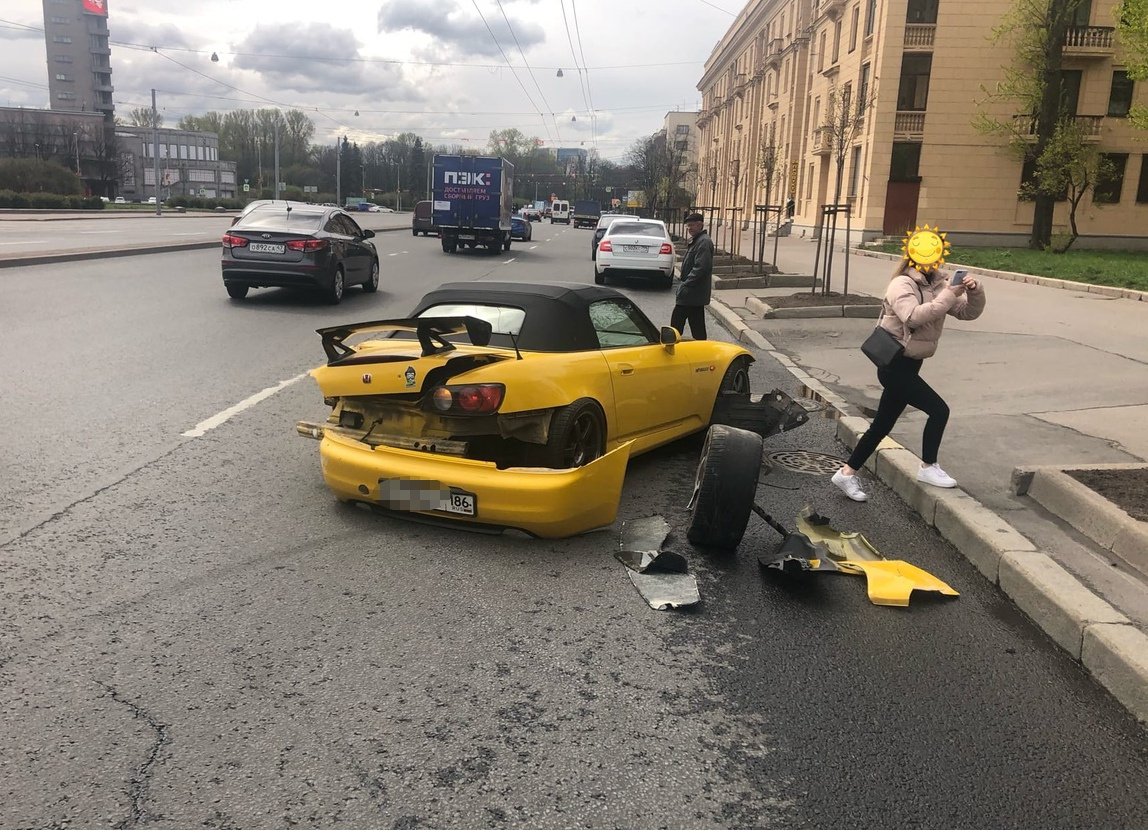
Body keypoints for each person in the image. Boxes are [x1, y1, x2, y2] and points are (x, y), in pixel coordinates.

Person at [831, 227, 986, 502]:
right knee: (939, 410)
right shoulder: (901, 284)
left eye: (935, 254)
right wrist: (948, 294)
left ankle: (845, 474)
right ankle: (928, 466)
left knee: (881, 426)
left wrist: (974, 291)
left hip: (911, 364)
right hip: (894, 365)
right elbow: (913, 317)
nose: (931, 261)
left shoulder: (938, 285)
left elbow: (967, 313)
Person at [672, 212, 714, 340]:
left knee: (676, 322)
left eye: (692, 225)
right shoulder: (698, 241)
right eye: (688, 226)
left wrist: (686, 284)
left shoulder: (704, 242)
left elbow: (701, 268)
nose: (689, 228)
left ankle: (670, 345)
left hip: (692, 291)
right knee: (697, 324)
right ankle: (702, 350)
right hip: (694, 293)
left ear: (700, 225)